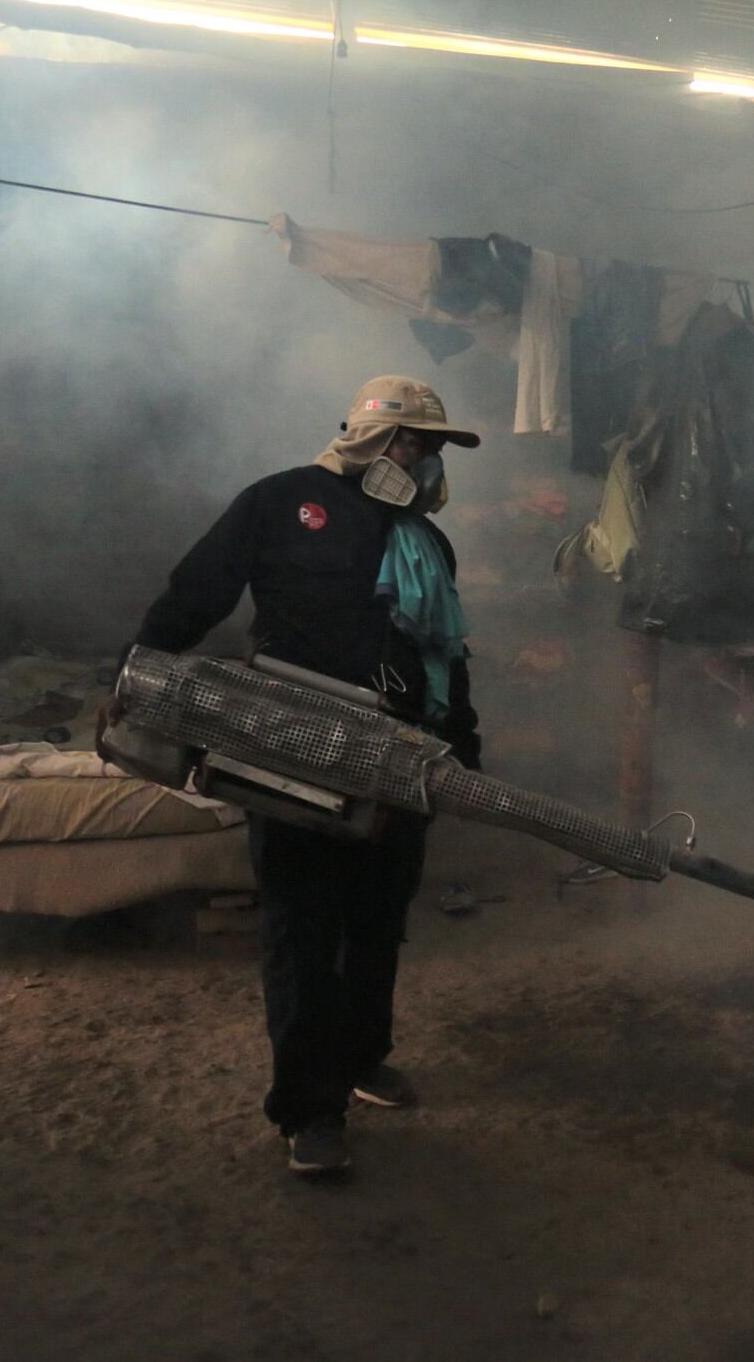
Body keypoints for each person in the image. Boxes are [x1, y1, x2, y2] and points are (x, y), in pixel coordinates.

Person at [110, 375, 483, 1176]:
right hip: (292, 744)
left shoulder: (426, 540)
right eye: (404, 441)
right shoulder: (280, 502)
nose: (415, 460)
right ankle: (310, 1111)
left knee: (379, 916)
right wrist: (137, 674)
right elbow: (197, 590)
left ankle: (361, 1057)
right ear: (359, 437)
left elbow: (444, 651)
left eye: (429, 448)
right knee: (304, 925)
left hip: (401, 752)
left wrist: (462, 742)